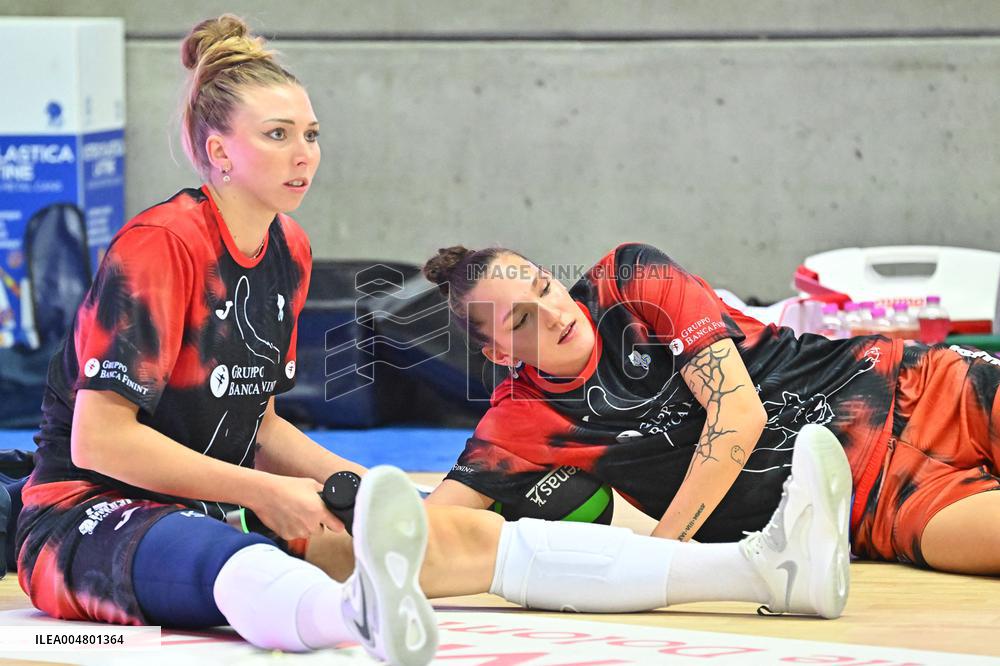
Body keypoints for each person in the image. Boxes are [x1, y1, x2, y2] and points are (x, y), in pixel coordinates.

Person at [14, 16, 853, 666]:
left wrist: (352, 483)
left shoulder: (287, 251)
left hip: (221, 494)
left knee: (459, 537)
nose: (304, 155)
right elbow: (100, 440)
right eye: (277, 135)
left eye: (311, 133)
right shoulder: (160, 246)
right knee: (220, 553)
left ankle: (760, 568)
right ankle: (357, 617)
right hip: (87, 513)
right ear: (216, 152)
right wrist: (265, 493)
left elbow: (255, 422)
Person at [421, 243, 1000, 576]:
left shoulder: (630, 279)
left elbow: (738, 416)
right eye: (521, 320)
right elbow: (423, 529)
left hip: (925, 389)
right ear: (500, 353)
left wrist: (656, 561)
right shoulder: (520, 421)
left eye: (544, 287)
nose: (553, 314)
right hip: (883, 508)